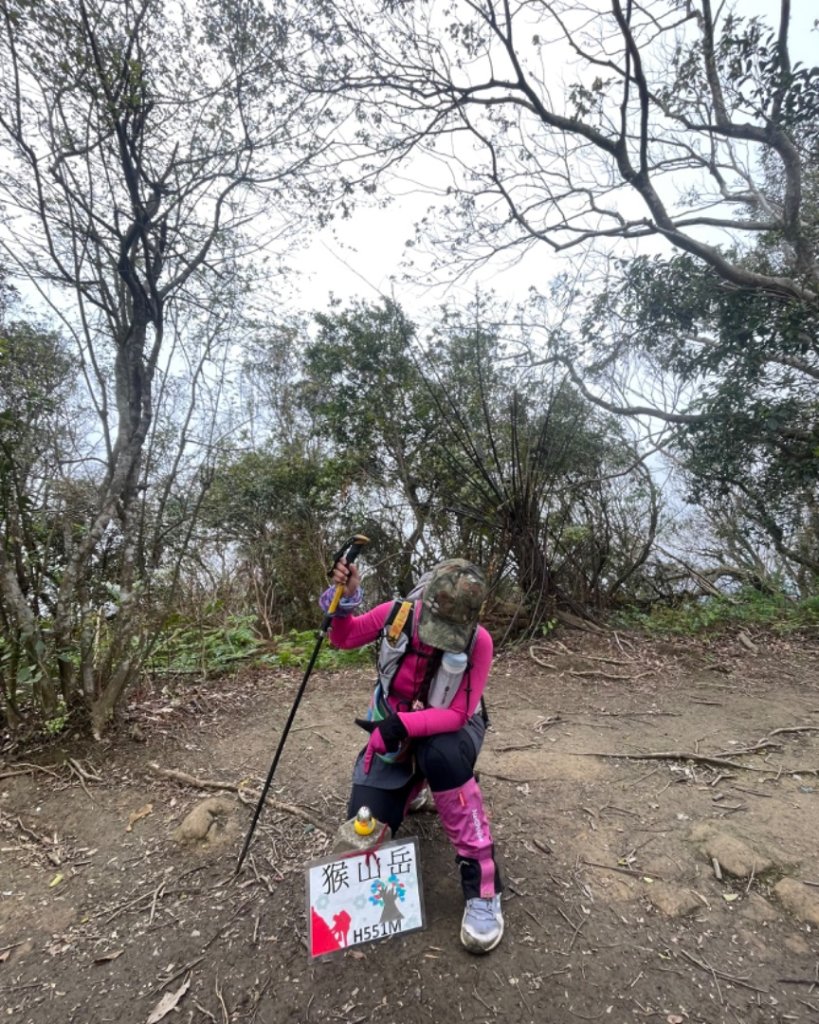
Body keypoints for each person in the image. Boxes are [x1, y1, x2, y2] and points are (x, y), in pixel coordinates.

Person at [320, 555, 504, 954]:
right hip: (393, 731)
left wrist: (402, 727)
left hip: (451, 730)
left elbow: (456, 714)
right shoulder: (397, 616)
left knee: (442, 755)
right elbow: (342, 638)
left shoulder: (480, 643)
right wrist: (345, 598)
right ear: (424, 598)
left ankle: (483, 886)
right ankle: (412, 787)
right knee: (365, 828)